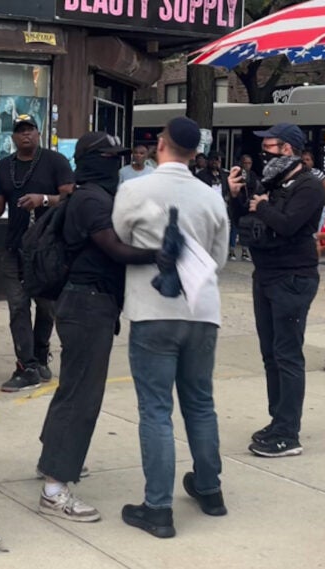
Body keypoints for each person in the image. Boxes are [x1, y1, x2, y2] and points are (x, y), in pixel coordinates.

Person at [113, 117, 230, 538]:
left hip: (152, 309)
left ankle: (157, 507)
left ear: (161, 145)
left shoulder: (133, 189)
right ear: (196, 152)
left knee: (156, 409)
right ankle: (209, 488)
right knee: (200, 402)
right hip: (201, 309)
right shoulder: (211, 196)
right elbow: (219, 257)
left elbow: (121, 239)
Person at [34, 132, 158, 524]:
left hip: (86, 303)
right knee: (82, 396)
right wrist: (163, 253)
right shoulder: (91, 199)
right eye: (108, 156)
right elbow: (115, 248)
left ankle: (52, 459)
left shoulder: (91, 195)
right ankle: (55, 489)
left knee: (73, 388)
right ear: (91, 160)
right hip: (88, 304)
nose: (115, 162)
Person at [228, 122, 323, 457]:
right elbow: (246, 224)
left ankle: (288, 433)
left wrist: (263, 206)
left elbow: (286, 224)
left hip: (292, 277)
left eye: (269, 147)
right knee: (270, 354)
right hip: (265, 273)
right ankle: (278, 419)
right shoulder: (271, 183)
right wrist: (238, 196)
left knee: (287, 355)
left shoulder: (309, 186)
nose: (262, 153)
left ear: (287, 149)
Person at [0, 114, 75, 391]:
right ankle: (27, 365)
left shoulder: (55, 162)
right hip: (15, 247)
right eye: (20, 131)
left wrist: (43, 199)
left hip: (49, 248)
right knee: (18, 306)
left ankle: (40, 350)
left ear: (38, 132)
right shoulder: (4, 167)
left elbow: (71, 197)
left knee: (46, 306)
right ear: (13, 137)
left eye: (30, 130)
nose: (26, 135)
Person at [227, 155, 259, 261]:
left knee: (247, 227)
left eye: (249, 163)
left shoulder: (253, 174)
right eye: (245, 163)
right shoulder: (237, 174)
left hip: (248, 201)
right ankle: (232, 250)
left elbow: (255, 187)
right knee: (235, 227)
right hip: (238, 200)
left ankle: (245, 250)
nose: (247, 165)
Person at [301, 150, 325, 222]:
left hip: (317, 210)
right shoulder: (296, 174)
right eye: (303, 160)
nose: (305, 162)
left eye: (307, 159)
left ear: (312, 162)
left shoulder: (317, 173)